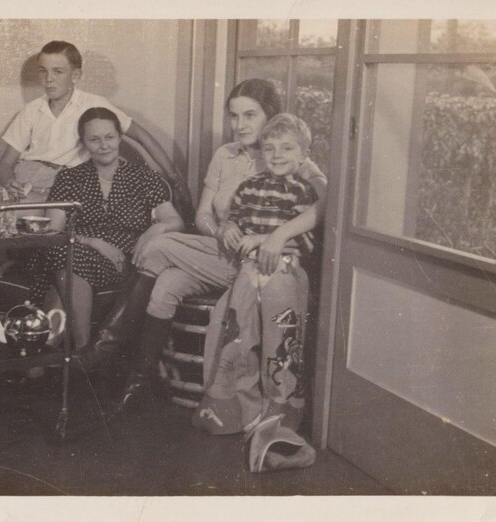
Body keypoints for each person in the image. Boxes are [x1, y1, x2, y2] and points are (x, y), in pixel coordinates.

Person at [75, 79, 325, 416]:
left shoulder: (284, 152)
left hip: (256, 265)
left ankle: (104, 346)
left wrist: (279, 236)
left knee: (159, 245)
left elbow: (325, 203)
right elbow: (203, 215)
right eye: (234, 117)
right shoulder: (226, 155)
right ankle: (136, 383)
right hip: (218, 252)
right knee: (165, 283)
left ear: (270, 116)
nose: (240, 126)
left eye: (250, 115)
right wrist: (222, 229)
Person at [191, 113, 326, 471]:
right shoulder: (249, 186)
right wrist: (232, 229)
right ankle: (242, 411)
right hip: (250, 269)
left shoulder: (305, 190)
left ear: (303, 154)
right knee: (239, 333)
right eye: (270, 148)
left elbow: (307, 241)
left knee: (279, 342)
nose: (277, 154)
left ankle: (278, 416)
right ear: (261, 152)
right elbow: (236, 218)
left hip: (284, 269)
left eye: (287, 148)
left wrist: (268, 240)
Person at [25, 107, 184, 349]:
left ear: (120, 137)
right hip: (76, 250)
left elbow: (175, 221)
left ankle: (45, 349)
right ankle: (82, 350)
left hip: (122, 259)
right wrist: (93, 242)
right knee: (67, 254)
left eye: (109, 137)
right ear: (84, 143)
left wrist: (153, 230)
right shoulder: (69, 178)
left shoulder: (143, 177)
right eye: (94, 139)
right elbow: (54, 232)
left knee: (63, 267)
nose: (104, 145)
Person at [0, 40, 192, 220]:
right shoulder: (31, 110)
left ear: (75, 75)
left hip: (64, 183)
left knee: (9, 217)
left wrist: (174, 177)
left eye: (58, 72)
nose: (49, 79)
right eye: (43, 71)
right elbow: (5, 164)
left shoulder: (93, 104)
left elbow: (143, 137)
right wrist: (10, 183)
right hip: (26, 178)